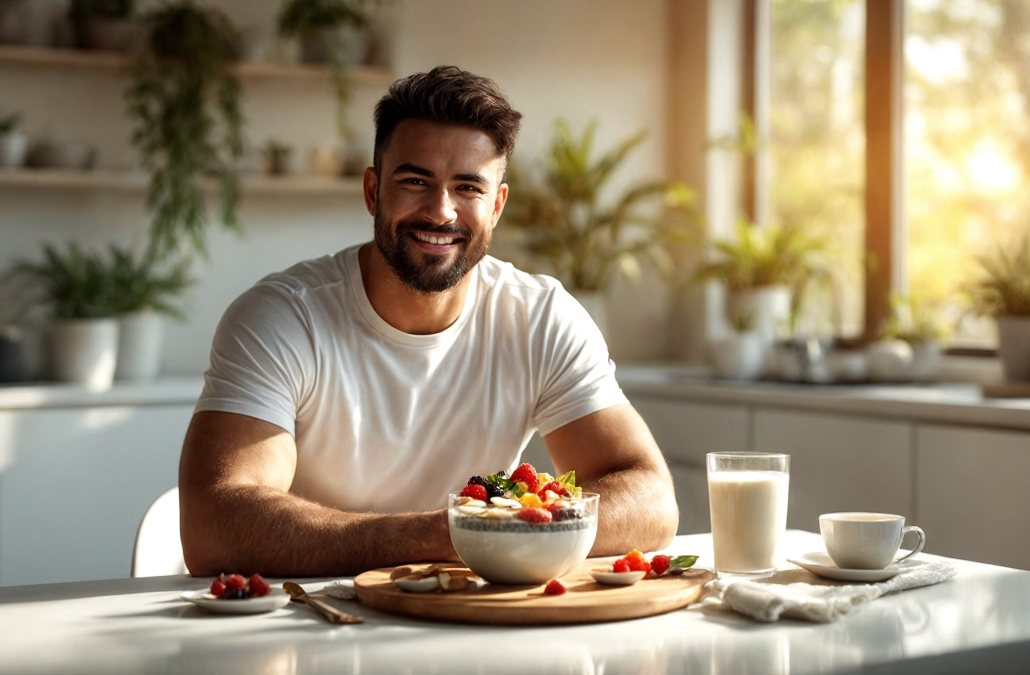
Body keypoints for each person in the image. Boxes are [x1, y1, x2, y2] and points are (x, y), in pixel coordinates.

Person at [179, 65, 678, 577]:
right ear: (373, 191)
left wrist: (512, 525)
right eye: (416, 181)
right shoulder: (283, 318)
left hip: (471, 626)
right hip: (312, 624)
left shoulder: (540, 316)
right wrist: (446, 534)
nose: (441, 212)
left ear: (497, 206)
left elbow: (650, 496)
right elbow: (213, 525)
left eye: (468, 188)